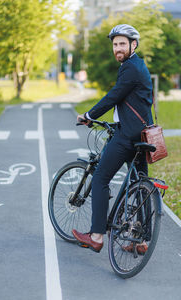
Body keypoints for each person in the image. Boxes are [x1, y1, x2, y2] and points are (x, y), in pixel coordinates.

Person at [72, 24, 154, 254]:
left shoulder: (130, 68)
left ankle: (96, 235)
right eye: (115, 44)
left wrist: (88, 116)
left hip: (127, 136)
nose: (117, 48)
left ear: (133, 44)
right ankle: (141, 241)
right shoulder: (138, 66)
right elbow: (128, 100)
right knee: (141, 187)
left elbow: (113, 96)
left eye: (122, 44)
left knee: (100, 179)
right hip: (141, 135)